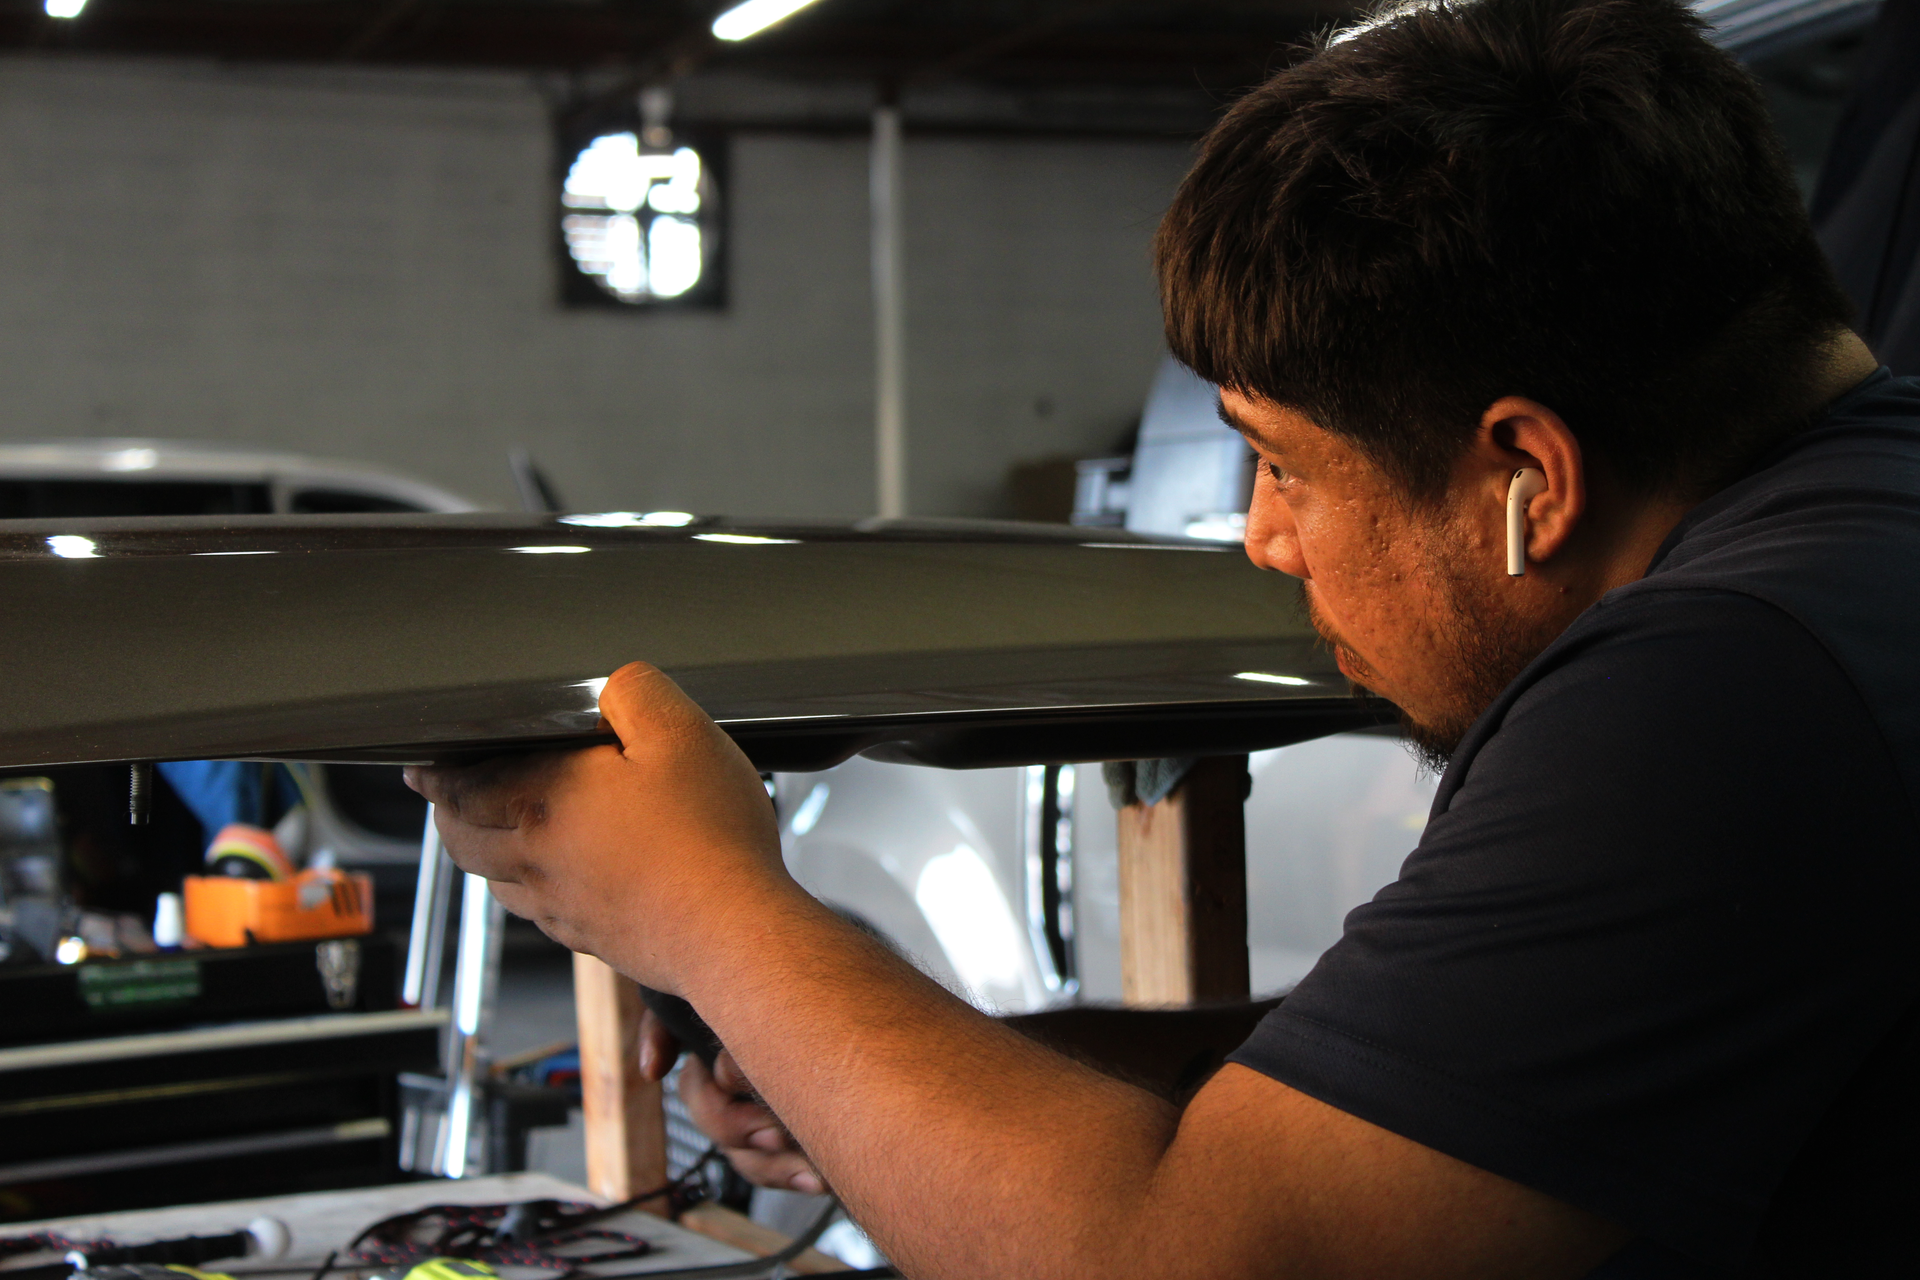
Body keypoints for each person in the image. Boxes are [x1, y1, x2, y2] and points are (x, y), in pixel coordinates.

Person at [407, 0, 1920, 1273]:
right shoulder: (1854, 557)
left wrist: (707, 911)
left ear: (1527, 476)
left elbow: (1191, 1262)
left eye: (1285, 465)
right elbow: (1451, 1091)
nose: (1262, 538)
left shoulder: (1720, 685)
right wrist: (873, 1064)